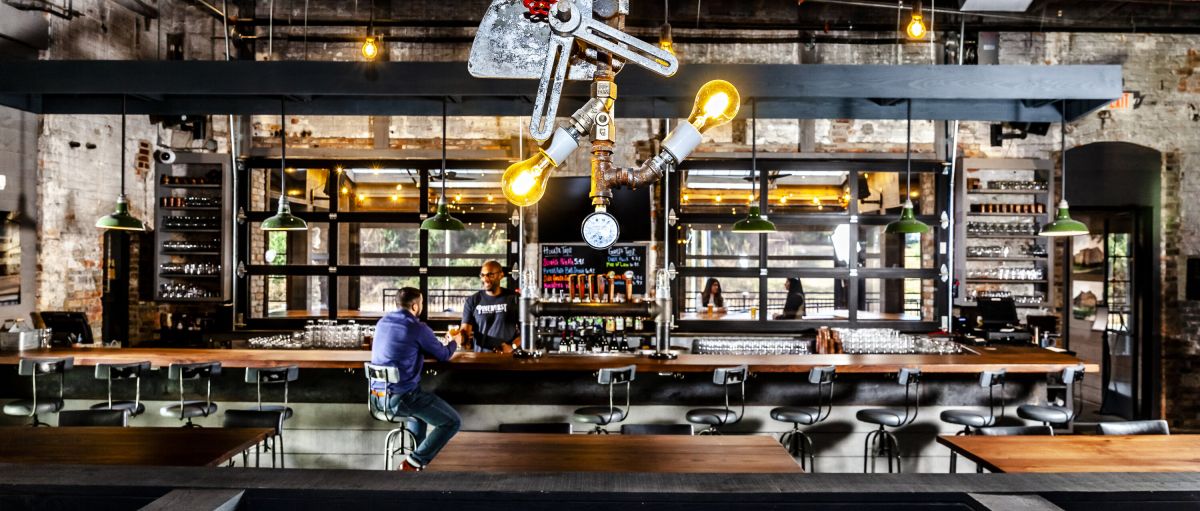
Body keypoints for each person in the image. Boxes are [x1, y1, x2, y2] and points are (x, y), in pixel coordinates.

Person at [370, 287, 461, 472]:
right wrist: (455, 342)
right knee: (452, 422)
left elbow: (404, 347)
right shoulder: (417, 327)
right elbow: (443, 355)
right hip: (402, 398)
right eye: (421, 303)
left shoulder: (382, 322)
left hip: (377, 398)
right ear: (415, 306)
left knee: (419, 417)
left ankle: (413, 464)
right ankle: (413, 463)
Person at [453, 260, 521, 353]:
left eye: (490, 275)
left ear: (501, 275)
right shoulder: (473, 301)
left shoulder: (514, 299)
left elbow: (528, 331)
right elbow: (465, 332)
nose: (485, 279)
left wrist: (512, 346)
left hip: (507, 360)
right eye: (482, 275)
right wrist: (456, 338)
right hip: (481, 359)